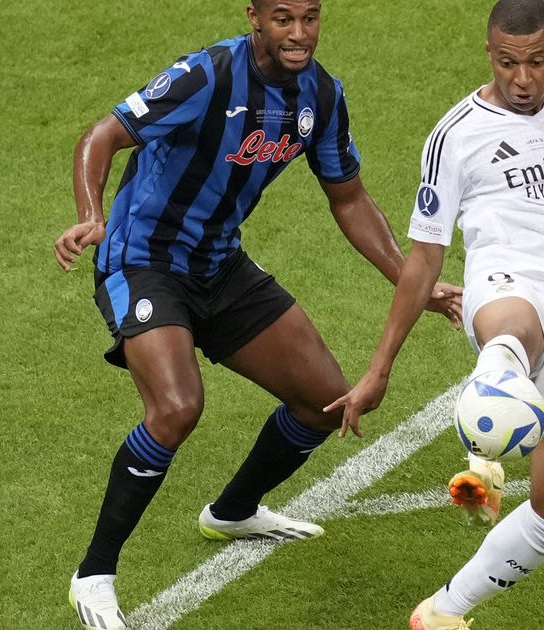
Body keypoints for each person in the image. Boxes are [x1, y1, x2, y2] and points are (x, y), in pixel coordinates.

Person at [54, 1, 462, 628]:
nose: (299, 33)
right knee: (176, 406)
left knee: (327, 397)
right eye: (283, 18)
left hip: (219, 265)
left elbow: (349, 199)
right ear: (255, 18)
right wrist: (91, 212)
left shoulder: (321, 96)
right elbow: (101, 135)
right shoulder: (208, 75)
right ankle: (95, 574)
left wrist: (414, 280)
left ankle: (234, 511)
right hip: (144, 261)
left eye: (310, 17)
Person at [325, 1, 544, 628]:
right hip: (504, 281)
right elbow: (425, 260)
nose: (523, 78)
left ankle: (443, 612)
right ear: (490, 55)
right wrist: (379, 369)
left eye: (535, 62)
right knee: (514, 329)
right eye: (509, 63)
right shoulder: (455, 135)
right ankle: (495, 398)